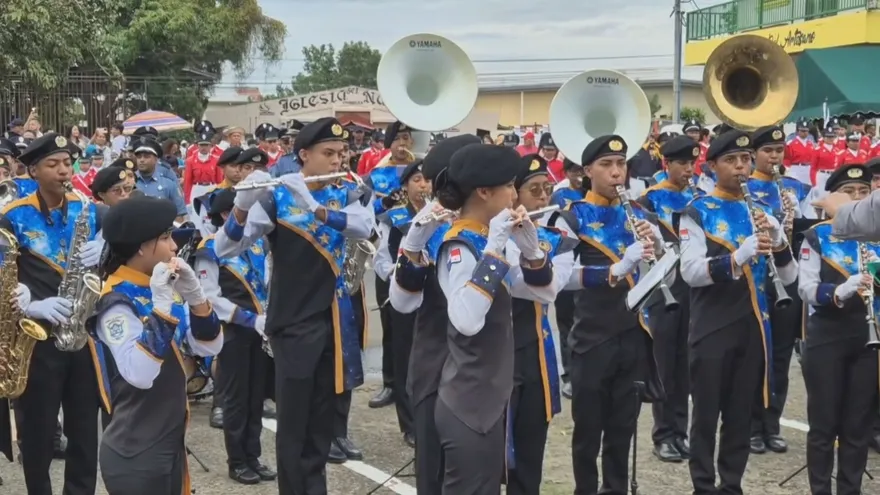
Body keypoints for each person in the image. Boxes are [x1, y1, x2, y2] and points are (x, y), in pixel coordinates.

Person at [213, 117, 373, 493]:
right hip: (294, 325)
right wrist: (241, 207)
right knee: (294, 425)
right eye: (328, 153)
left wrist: (315, 208)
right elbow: (224, 248)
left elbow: (365, 228)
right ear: (304, 155)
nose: (337, 161)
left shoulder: (351, 193)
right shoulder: (275, 197)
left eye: (342, 153)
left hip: (335, 323)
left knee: (322, 425)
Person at [678, 130, 798, 495]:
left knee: (740, 413)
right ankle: (703, 485)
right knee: (705, 415)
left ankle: (731, 484)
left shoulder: (761, 210)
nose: (741, 167)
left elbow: (789, 276)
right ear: (712, 166)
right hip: (713, 325)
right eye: (731, 160)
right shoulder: (696, 211)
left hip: (754, 324)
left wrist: (779, 242)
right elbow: (691, 272)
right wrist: (738, 255)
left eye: (745, 160)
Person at [431, 143, 555, 493]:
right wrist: (494, 251)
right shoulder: (458, 244)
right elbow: (466, 319)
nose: (516, 195)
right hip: (468, 401)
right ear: (484, 192)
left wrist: (531, 252)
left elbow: (544, 294)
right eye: (510, 187)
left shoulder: (486, 239)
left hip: (489, 397)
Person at [551, 135, 662, 494]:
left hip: (631, 333)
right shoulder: (571, 216)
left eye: (621, 164)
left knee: (622, 430)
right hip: (592, 337)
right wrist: (615, 270)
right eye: (606, 165)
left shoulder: (639, 213)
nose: (617, 173)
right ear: (587, 170)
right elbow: (561, 278)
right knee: (587, 434)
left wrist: (658, 247)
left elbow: (661, 272)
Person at [91, 195, 222, 494]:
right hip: (135, 452)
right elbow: (140, 373)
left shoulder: (158, 285)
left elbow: (208, 347)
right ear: (140, 246)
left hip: (167, 441)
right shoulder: (114, 300)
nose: (174, 246)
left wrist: (197, 298)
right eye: (165, 237)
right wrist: (162, 309)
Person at [0, 133, 104, 495]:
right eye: (53, 164)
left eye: (67, 163)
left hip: (81, 333)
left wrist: (105, 248)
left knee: (84, 431)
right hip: (38, 337)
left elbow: (113, 265)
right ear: (32, 170)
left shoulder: (86, 207)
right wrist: (30, 304)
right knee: (38, 433)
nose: (64, 171)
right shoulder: (12, 216)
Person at [388, 133, 482, 495]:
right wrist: (415, 239)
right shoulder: (428, 220)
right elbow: (403, 301)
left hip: (483, 365)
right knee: (434, 470)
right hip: (438, 359)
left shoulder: (495, 217)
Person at [798, 163, 878, 495]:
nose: (857, 199)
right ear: (833, 197)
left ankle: (851, 490)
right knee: (823, 424)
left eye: (863, 193)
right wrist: (840, 291)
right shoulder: (817, 235)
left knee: (857, 425)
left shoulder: (876, 235)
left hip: (867, 338)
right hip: (827, 336)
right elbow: (806, 288)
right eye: (848, 193)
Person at [194, 188, 275, 484]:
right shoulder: (208, 248)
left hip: (259, 331)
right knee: (236, 399)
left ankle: (253, 455)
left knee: (256, 398)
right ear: (228, 215)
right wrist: (249, 319)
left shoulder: (254, 245)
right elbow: (209, 297)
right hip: (233, 332)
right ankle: (237, 461)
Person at [506, 154, 575, 494]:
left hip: (535, 354)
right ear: (513, 195)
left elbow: (546, 289)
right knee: (490, 458)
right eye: (534, 190)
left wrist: (530, 248)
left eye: (547, 189)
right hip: (496, 355)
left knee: (530, 456)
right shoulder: (495, 232)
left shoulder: (558, 234)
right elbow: (512, 282)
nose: (544, 198)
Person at [745, 125, 812, 455]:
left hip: (787, 276)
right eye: (768, 151)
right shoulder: (745, 188)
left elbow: (810, 234)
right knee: (756, 352)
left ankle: (773, 424)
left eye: (779, 151)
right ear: (754, 154)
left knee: (782, 355)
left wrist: (795, 217)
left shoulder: (796, 188)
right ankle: (752, 426)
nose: (774, 157)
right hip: (756, 275)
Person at [638, 135, 700, 463]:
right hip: (663, 287)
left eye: (692, 163)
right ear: (667, 164)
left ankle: (680, 430)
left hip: (693, 287)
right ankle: (663, 433)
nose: (689, 169)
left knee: (685, 362)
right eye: (682, 164)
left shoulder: (698, 198)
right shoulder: (650, 201)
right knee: (664, 363)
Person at [373, 160, 432, 448]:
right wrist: (397, 278)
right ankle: (409, 424)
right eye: (417, 180)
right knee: (404, 356)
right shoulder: (393, 218)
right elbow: (381, 258)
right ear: (406, 186)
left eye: (427, 181)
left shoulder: (442, 215)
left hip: (433, 295)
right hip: (404, 294)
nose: (423, 186)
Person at [133, 138, 187, 222]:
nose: (142, 160)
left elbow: (179, 215)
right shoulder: (128, 184)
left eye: (146, 157)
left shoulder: (169, 184)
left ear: (156, 160)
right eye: (139, 157)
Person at [183, 131, 221, 204]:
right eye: (202, 145)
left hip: (211, 188)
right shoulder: (190, 160)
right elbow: (188, 181)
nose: (204, 147)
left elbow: (219, 180)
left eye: (206, 145)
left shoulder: (216, 160)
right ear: (197, 146)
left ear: (210, 146)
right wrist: (187, 199)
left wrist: (220, 194)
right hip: (197, 188)